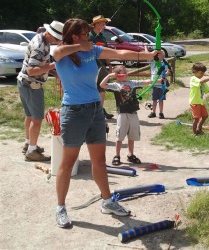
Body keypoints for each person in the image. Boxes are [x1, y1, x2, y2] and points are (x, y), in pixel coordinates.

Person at [53, 18, 159, 228]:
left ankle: (107, 201)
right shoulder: (61, 53)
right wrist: (80, 46)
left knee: (99, 161)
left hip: (94, 110)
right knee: (67, 162)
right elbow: (57, 53)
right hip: (73, 112)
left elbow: (120, 54)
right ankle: (61, 208)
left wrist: (148, 56)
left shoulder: (92, 51)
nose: (89, 37)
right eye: (85, 34)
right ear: (74, 36)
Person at [17, 20, 64, 161]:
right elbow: (32, 71)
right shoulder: (40, 46)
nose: (57, 41)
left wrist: (53, 73)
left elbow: (37, 65)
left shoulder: (40, 38)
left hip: (24, 82)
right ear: (49, 33)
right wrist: (52, 66)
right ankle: (32, 151)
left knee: (30, 116)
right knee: (37, 119)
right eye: (56, 38)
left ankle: (28, 143)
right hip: (32, 85)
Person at [100, 65, 165, 166]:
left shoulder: (132, 83)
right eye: (121, 73)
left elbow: (147, 82)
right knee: (120, 135)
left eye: (125, 72)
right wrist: (109, 76)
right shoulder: (115, 85)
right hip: (122, 113)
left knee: (132, 135)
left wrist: (159, 80)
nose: (125, 74)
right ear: (117, 76)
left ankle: (131, 154)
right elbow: (102, 85)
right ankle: (117, 155)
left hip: (133, 113)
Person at [89, 15, 114, 119]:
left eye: (105, 23)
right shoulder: (89, 36)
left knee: (102, 89)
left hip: (101, 66)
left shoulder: (103, 37)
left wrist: (109, 64)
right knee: (93, 89)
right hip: (91, 66)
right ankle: (95, 111)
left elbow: (106, 52)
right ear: (97, 24)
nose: (104, 25)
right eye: (102, 23)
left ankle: (100, 110)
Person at [189, 62, 209, 136]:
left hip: (200, 102)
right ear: (195, 71)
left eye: (203, 73)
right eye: (201, 73)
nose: (202, 75)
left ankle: (199, 127)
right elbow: (201, 82)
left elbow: (208, 90)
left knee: (205, 116)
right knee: (196, 118)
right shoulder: (193, 79)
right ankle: (195, 133)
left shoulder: (203, 83)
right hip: (195, 102)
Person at [147, 50, 171, 119]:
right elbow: (148, 55)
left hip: (162, 85)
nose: (158, 56)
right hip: (154, 84)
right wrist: (146, 48)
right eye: (157, 54)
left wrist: (165, 74)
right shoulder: (152, 61)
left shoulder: (164, 63)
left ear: (163, 56)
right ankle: (153, 112)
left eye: (160, 54)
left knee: (161, 99)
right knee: (154, 99)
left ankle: (161, 113)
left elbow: (168, 71)